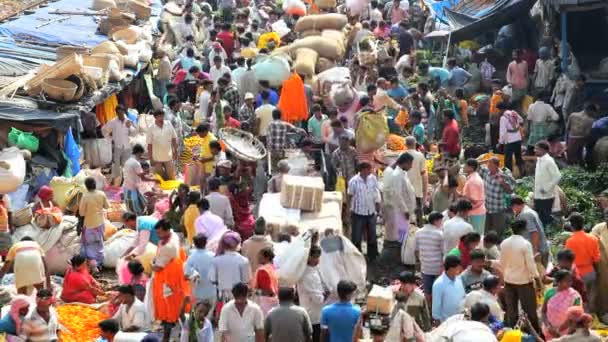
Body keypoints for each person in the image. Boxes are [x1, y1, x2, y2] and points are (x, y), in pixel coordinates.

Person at [151, 219, 190, 341]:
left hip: (167, 277)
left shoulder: (167, 247)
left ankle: (169, 326)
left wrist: (151, 264)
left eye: (160, 233)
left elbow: (158, 267)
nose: (158, 236)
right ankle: (176, 322)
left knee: (167, 303)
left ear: (167, 230)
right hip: (175, 274)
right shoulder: (173, 235)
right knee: (177, 299)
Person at [500, 219, 541, 333]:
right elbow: (531, 265)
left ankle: (513, 334)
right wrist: (537, 279)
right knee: (530, 310)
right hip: (524, 282)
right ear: (524, 229)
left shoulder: (504, 243)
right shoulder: (525, 244)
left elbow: (502, 262)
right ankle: (534, 334)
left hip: (509, 280)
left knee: (512, 311)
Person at [565, 212, 599, 312]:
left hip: (576, 274)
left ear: (571, 225)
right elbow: (596, 259)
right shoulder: (592, 238)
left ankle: (581, 317)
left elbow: (568, 260)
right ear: (583, 224)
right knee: (590, 295)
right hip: (590, 271)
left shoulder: (570, 241)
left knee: (578, 298)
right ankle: (590, 315)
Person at [348, 162, 381, 261]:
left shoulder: (373, 179)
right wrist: (349, 210)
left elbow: (376, 193)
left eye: (370, 169)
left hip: (370, 211)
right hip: (358, 213)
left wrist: (378, 206)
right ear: (362, 170)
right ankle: (357, 256)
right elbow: (350, 195)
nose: (369, 171)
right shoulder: (354, 181)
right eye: (367, 169)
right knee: (356, 236)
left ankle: (372, 255)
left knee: (372, 234)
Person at [383, 153, 416, 245]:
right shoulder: (397, 175)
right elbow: (397, 194)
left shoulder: (403, 173)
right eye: (410, 164)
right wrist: (405, 210)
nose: (411, 166)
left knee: (404, 232)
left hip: (405, 209)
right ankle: (400, 252)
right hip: (401, 211)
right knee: (402, 235)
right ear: (405, 163)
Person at [479, 156, 516, 238]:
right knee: (487, 231)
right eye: (488, 164)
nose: (488, 166)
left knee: (497, 233)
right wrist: (485, 160)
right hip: (487, 208)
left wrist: (503, 183)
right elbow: (475, 164)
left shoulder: (503, 175)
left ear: (496, 166)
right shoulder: (486, 172)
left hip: (498, 210)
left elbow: (510, 191)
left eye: (490, 164)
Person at [541, 269, 583, 340]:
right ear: (558, 282)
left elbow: (576, 317)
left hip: (567, 333)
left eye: (570, 280)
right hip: (549, 330)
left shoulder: (575, 296)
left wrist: (559, 330)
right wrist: (548, 327)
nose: (570, 283)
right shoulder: (549, 293)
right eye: (566, 281)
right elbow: (543, 312)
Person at [210, 232, 251, 302]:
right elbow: (246, 280)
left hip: (222, 297)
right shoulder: (243, 260)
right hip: (239, 297)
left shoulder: (216, 260)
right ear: (237, 244)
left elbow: (212, 279)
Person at [79, 177, 109, 273]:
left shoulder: (85, 196)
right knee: (98, 243)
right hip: (100, 223)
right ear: (95, 184)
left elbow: (82, 213)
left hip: (89, 224)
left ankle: (92, 265)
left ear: (86, 186)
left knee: (89, 245)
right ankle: (99, 263)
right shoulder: (101, 194)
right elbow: (107, 206)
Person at [297, 245, 327, 342]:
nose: (318, 260)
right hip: (313, 316)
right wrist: (326, 295)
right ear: (310, 257)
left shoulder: (311, 270)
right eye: (316, 257)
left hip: (311, 313)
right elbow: (318, 299)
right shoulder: (308, 275)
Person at [511, 196, 550, 266]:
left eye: (512, 208)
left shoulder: (525, 215)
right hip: (541, 249)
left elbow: (534, 233)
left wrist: (534, 251)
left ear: (515, 206)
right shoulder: (530, 211)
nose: (513, 210)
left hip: (538, 251)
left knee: (538, 275)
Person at [414, 212, 444, 302]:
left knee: (427, 291)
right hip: (437, 267)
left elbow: (416, 250)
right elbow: (443, 252)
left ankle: (428, 310)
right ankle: (435, 311)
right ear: (435, 221)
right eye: (440, 221)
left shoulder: (418, 232)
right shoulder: (439, 234)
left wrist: (420, 261)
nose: (441, 224)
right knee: (437, 291)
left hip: (425, 267)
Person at [102, 105, 135, 183]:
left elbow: (134, 133)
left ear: (124, 112)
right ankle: (114, 179)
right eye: (118, 113)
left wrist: (130, 127)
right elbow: (104, 129)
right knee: (115, 164)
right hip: (117, 146)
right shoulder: (113, 122)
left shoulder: (128, 121)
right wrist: (109, 138)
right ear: (116, 113)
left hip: (127, 146)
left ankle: (124, 179)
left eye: (121, 112)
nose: (120, 114)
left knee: (126, 164)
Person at [534, 140, 562, 227]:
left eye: (537, 149)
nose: (535, 150)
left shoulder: (549, 161)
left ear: (543, 150)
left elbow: (557, 176)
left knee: (545, 219)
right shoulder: (539, 160)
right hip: (538, 195)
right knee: (539, 218)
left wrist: (546, 188)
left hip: (546, 196)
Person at [123, 144, 156, 216]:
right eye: (141, 154)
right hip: (133, 188)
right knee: (139, 208)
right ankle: (139, 217)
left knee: (131, 207)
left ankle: (133, 215)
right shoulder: (136, 163)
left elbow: (138, 173)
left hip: (126, 187)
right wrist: (155, 180)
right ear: (138, 152)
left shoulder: (128, 160)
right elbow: (143, 178)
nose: (141, 155)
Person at [431, 254, 466, 324]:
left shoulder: (459, 280)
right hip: (446, 323)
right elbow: (436, 306)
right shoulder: (438, 284)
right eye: (457, 267)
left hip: (461, 320)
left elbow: (463, 298)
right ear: (450, 268)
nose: (460, 269)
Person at [184, 234, 216, 306]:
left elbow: (186, 276)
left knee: (197, 315)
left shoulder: (191, 257)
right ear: (206, 242)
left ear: (194, 244)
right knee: (211, 315)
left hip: (197, 294)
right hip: (212, 292)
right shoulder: (213, 256)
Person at [147, 109, 178, 180]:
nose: (161, 118)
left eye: (162, 116)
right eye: (159, 116)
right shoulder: (151, 128)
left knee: (171, 177)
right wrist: (151, 158)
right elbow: (149, 144)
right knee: (160, 179)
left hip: (168, 156)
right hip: (157, 157)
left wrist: (175, 151)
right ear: (155, 117)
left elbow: (174, 138)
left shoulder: (168, 124)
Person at [405, 138, 428, 226]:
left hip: (405, 191)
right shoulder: (420, 156)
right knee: (418, 215)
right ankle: (420, 231)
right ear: (415, 144)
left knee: (405, 216)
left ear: (406, 144)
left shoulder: (402, 155)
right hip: (417, 191)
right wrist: (425, 193)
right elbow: (424, 175)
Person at [591, 208, 608, 319]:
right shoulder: (599, 228)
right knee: (603, 289)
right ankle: (604, 312)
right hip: (603, 265)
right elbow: (590, 242)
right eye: (606, 216)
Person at [461, 159, 486, 234]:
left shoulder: (473, 181)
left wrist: (465, 196)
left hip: (475, 213)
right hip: (476, 212)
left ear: (471, 168)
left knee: (475, 237)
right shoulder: (472, 178)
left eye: (466, 165)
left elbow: (475, 200)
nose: (464, 167)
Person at [252, 247, 279, 316]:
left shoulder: (263, 270)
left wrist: (254, 291)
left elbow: (267, 290)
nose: (258, 258)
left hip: (265, 303)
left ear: (267, 257)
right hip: (274, 300)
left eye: (260, 257)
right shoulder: (273, 268)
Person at [498, 106, 524, 173]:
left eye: (499, 110)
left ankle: (509, 175)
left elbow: (502, 131)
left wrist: (501, 142)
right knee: (518, 156)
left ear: (501, 109)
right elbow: (521, 120)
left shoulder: (503, 118)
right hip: (518, 138)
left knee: (508, 159)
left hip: (509, 140)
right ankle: (521, 172)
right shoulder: (514, 113)